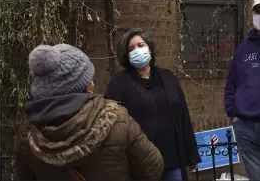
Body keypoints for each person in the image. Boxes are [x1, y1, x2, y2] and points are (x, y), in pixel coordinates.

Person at [15, 44, 164, 181]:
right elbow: (153, 169)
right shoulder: (117, 118)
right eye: (89, 78)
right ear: (85, 86)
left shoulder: (28, 134)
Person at [105, 28, 201, 181]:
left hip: (173, 160)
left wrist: (191, 154)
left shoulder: (168, 78)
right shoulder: (119, 83)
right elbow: (113, 124)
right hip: (141, 164)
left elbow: (183, 116)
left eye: (140, 45)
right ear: (126, 55)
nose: (137, 50)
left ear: (149, 48)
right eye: (131, 48)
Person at [224, 0, 260, 180]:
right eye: (258, 11)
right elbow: (231, 84)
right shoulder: (243, 49)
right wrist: (234, 116)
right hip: (245, 126)